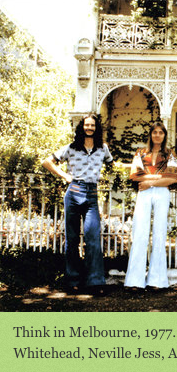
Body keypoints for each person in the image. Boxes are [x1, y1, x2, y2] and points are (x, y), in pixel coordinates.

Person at [42, 114, 113, 295]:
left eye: (92, 125)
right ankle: (72, 281)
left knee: (93, 239)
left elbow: (114, 165)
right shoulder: (71, 148)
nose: (89, 127)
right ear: (82, 127)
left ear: (96, 128)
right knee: (72, 239)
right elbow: (47, 161)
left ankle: (95, 282)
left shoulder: (102, 149)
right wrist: (64, 176)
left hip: (91, 194)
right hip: (73, 192)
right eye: (86, 125)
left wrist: (136, 165)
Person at [124, 123, 177, 291]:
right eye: (155, 132)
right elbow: (135, 175)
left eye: (160, 132)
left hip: (161, 192)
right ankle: (135, 280)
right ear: (151, 134)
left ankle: (157, 280)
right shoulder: (141, 153)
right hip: (144, 193)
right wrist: (157, 178)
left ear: (164, 135)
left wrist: (149, 182)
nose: (157, 135)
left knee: (159, 233)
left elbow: (173, 178)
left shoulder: (170, 154)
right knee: (140, 233)